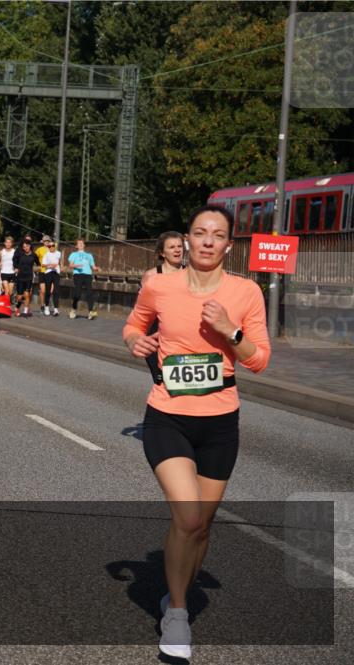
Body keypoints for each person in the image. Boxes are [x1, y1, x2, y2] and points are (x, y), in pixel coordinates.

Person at [122, 205, 270, 660]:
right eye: (199, 232)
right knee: (187, 516)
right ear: (186, 240)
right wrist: (135, 342)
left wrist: (231, 329)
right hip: (167, 414)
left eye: (218, 234)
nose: (207, 241)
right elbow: (133, 325)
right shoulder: (160, 285)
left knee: (201, 526)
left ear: (229, 245)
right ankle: (179, 613)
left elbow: (259, 359)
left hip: (221, 420)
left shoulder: (245, 292)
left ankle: (175, 591)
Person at [143, 231, 186, 384]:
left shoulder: (192, 275)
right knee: (162, 382)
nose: (177, 250)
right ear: (162, 252)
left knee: (183, 386)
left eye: (180, 246)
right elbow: (143, 310)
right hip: (157, 337)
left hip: (184, 338)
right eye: (172, 247)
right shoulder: (152, 275)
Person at [67, 238, 100, 319]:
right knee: (77, 294)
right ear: (76, 246)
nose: (81, 244)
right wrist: (76, 266)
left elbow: (93, 266)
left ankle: (90, 312)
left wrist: (96, 268)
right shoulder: (73, 254)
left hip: (88, 275)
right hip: (78, 275)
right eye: (79, 243)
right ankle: (73, 309)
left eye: (82, 243)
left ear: (84, 245)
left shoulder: (89, 255)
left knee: (89, 293)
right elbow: (70, 265)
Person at [12, 238, 39, 317]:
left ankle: (25, 311)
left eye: (27, 246)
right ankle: (17, 307)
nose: (25, 248)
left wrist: (38, 268)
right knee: (20, 296)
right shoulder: (20, 254)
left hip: (29, 277)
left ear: (30, 246)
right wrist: (16, 268)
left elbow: (38, 264)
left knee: (27, 295)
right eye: (24, 247)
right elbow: (15, 261)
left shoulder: (34, 255)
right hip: (20, 277)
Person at [40, 237, 61, 316]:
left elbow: (58, 262)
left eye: (52, 246)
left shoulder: (58, 253)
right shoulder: (46, 254)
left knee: (56, 291)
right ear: (48, 247)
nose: (51, 247)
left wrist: (55, 265)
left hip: (56, 273)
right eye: (49, 246)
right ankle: (46, 307)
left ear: (55, 246)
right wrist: (50, 265)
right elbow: (43, 264)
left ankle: (56, 309)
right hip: (48, 273)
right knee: (48, 291)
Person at [0, 236, 16, 311]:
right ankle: (6, 307)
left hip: (12, 273)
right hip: (4, 272)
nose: (8, 244)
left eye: (9, 242)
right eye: (7, 242)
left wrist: (16, 267)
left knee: (10, 292)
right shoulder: (1, 252)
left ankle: (3, 297)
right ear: (4, 243)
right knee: (7, 290)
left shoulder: (14, 251)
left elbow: (17, 261)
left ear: (12, 244)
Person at [35, 234, 50, 311]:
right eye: (45, 241)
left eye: (47, 241)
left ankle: (47, 304)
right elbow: (34, 257)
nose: (46, 242)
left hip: (50, 272)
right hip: (42, 272)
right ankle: (42, 305)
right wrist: (38, 264)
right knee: (43, 290)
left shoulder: (52, 249)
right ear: (43, 242)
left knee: (50, 291)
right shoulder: (39, 249)